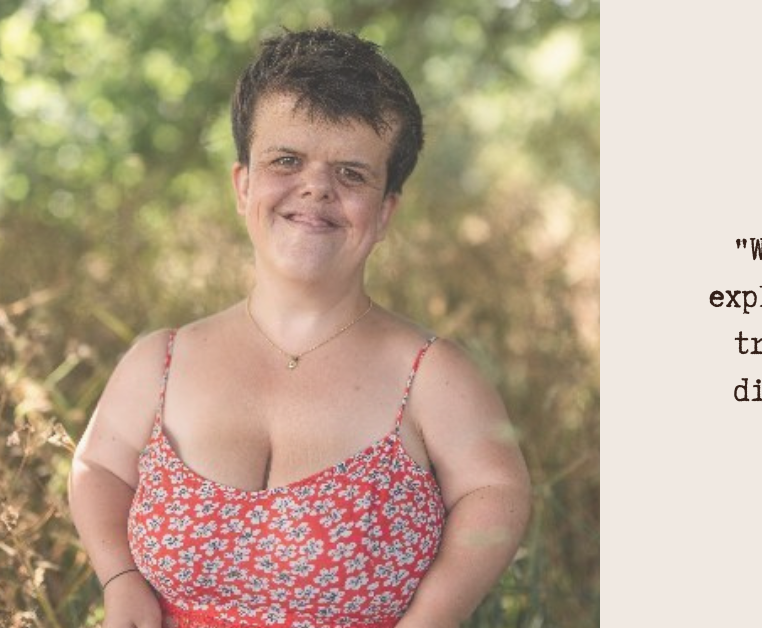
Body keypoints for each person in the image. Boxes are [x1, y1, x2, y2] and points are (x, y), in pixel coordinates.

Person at [69, 28, 531, 628]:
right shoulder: (160, 361)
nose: (316, 187)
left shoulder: (432, 375)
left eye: (352, 173)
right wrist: (121, 578)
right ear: (243, 186)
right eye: (287, 160)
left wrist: (433, 618)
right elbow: (97, 468)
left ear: (385, 210)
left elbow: (497, 491)